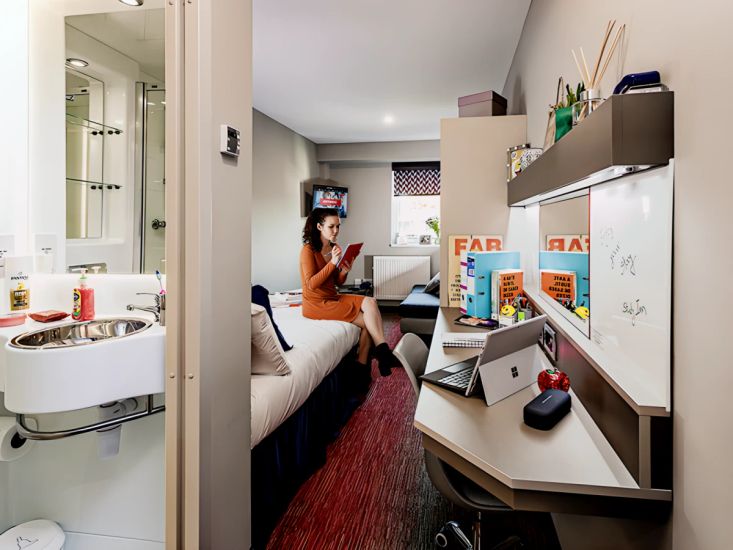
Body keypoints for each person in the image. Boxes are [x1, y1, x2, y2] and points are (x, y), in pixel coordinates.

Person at [299, 208, 397, 385]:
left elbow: (337, 281)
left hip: (332, 296)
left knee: (370, 302)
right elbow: (311, 284)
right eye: (331, 226)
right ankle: (373, 361)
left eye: (338, 226)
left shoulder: (334, 248)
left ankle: (377, 355)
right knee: (368, 322)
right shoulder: (308, 250)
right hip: (316, 304)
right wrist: (333, 262)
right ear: (319, 227)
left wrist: (344, 270)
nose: (336, 230)